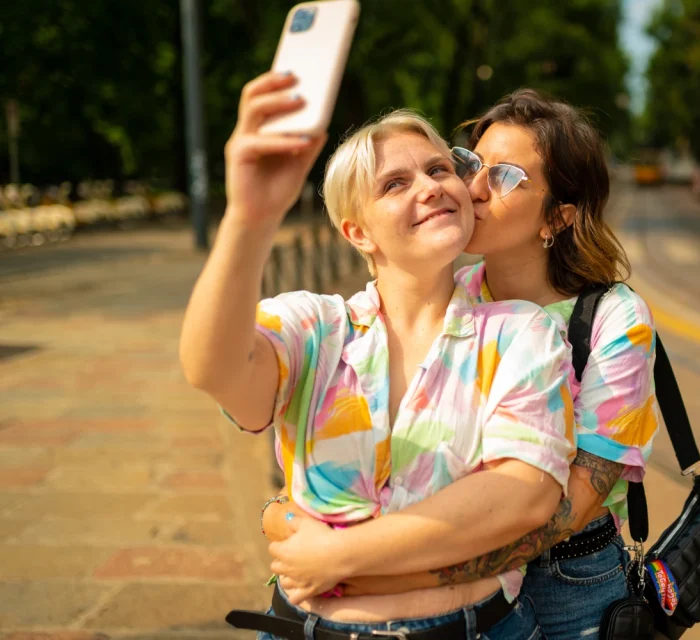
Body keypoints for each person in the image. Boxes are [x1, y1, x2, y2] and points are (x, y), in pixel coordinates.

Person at [179, 71, 578, 639]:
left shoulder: (520, 333)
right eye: (394, 184)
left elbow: (523, 496)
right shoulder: (317, 327)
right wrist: (249, 217)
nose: (430, 186)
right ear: (357, 232)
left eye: (439, 169)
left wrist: (339, 558)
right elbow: (213, 369)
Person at [263, 89, 659, 640]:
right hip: (437, 553)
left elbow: (562, 509)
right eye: (472, 163)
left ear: (559, 216)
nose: (469, 187)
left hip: (568, 583)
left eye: (504, 177)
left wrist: (354, 568)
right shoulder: (453, 291)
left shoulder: (617, 321)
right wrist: (285, 512)